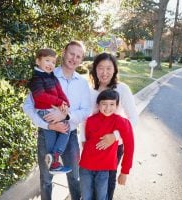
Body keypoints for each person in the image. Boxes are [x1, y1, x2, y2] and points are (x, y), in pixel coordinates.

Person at [23, 41, 91, 200]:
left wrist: (66, 116)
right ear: (64, 53)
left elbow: (86, 111)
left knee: (74, 177)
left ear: (81, 60)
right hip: (47, 133)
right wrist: (48, 125)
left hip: (70, 135)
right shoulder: (46, 74)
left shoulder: (82, 83)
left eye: (78, 56)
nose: (74, 58)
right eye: (71, 54)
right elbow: (28, 106)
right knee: (46, 179)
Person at [80, 52, 139, 200]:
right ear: (94, 69)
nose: (104, 72)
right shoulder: (90, 90)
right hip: (91, 147)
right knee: (89, 186)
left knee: (106, 186)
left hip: (113, 148)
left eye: (108, 68)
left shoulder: (122, 89)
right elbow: (84, 118)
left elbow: (133, 119)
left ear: (114, 70)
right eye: (100, 68)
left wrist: (115, 136)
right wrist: (83, 140)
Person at [79, 89, 135, 200]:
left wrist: (124, 171)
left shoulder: (121, 122)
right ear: (98, 105)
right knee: (86, 197)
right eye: (104, 104)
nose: (108, 108)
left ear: (117, 105)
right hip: (85, 166)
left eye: (112, 104)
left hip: (104, 169)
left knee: (101, 197)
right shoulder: (90, 120)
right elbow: (88, 141)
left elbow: (130, 146)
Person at [28, 48, 71, 174]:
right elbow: (40, 96)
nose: (50, 64)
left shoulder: (53, 78)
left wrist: (65, 103)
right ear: (38, 61)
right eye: (47, 60)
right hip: (44, 111)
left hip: (52, 110)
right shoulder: (36, 79)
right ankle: (55, 158)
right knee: (61, 130)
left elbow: (61, 93)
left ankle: (54, 160)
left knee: (58, 131)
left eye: (53, 62)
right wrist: (58, 102)